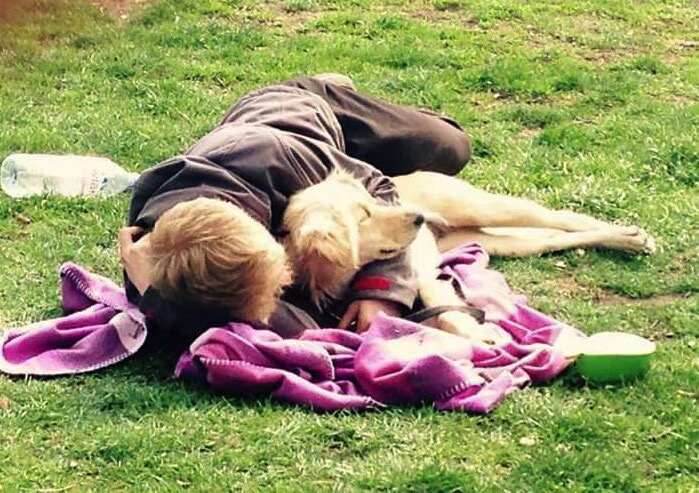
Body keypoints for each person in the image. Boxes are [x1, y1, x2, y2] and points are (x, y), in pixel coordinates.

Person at [118, 74, 471, 347]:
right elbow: (254, 325)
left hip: (302, 114)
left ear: (260, 225)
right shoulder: (156, 264)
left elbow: (380, 188)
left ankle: (333, 85)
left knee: (452, 146)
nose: (282, 295)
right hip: (294, 179)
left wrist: (380, 289)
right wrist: (152, 296)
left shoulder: (274, 160)